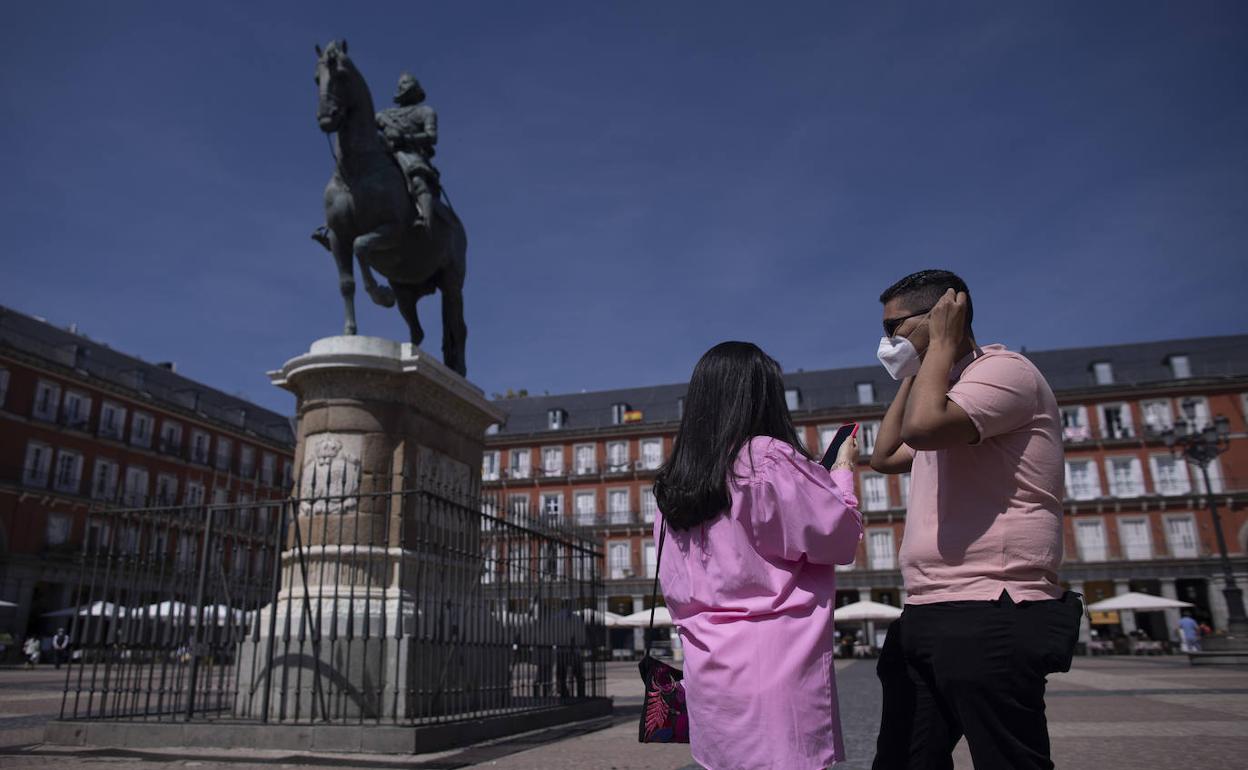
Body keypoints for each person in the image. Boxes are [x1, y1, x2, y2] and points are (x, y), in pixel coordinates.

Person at [868, 270, 1081, 770]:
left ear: (943, 312)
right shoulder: (942, 388)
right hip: (928, 606)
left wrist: (940, 344)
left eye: (894, 326)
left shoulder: (1004, 372)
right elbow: (884, 455)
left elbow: (921, 429)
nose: (885, 340)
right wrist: (914, 371)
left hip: (992, 604)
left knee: (1007, 760)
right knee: (903, 761)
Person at [653, 341, 864, 770]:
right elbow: (840, 539)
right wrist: (841, 475)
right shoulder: (765, 458)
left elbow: (674, 587)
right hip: (776, 669)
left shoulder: (672, 485)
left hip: (707, 673)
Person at [376, 73, 440, 233]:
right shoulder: (384, 114)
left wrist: (404, 138)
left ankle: (425, 220)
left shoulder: (425, 112)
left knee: (417, 179)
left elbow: (431, 137)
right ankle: (335, 226)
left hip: (410, 153)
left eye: (406, 85)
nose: (402, 87)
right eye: (401, 85)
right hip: (386, 152)